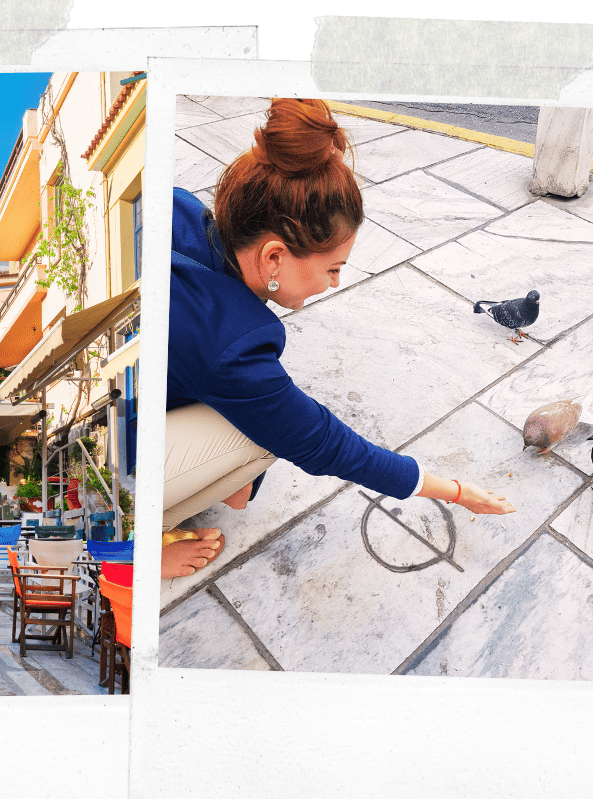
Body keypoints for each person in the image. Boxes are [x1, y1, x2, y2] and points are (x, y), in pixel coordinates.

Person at [162, 98, 515, 579]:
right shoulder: (230, 344)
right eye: (332, 269)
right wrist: (453, 490)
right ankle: (137, 548)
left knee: (258, 418)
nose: (334, 284)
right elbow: (321, 442)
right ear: (273, 259)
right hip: (126, 430)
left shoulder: (181, 207)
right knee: (266, 435)